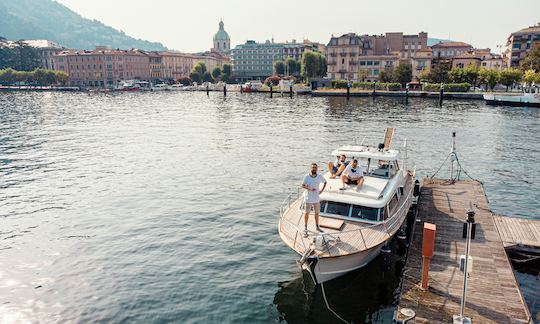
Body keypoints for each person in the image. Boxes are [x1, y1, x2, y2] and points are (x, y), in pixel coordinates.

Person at [302, 163, 327, 236]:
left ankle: (317, 227)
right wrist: (310, 188)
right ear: (310, 168)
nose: (314, 169)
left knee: (317, 213)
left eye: (315, 167)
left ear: (317, 168)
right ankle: (305, 228)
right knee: (307, 213)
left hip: (316, 199)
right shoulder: (306, 176)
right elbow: (302, 185)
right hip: (308, 198)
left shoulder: (319, 176)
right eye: (313, 167)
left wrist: (321, 191)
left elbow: (325, 182)